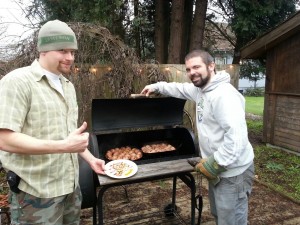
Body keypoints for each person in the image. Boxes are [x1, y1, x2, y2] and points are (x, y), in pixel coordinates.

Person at [0, 20, 105, 224]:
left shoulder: (67, 85)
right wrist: (63, 146)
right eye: (62, 50)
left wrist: (91, 159)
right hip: (36, 194)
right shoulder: (18, 82)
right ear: (44, 50)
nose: (70, 58)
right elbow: (4, 139)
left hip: (70, 189)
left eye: (73, 52)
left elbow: (67, 136)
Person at [141, 49, 254, 225]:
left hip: (233, 174)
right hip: (218, 171)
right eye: (188, 69)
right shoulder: (202, 90)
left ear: (211, 66)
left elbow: (236, 138)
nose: (192, 72)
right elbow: (180, 88)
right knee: (220, 217)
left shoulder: (224, 95)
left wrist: (214, 163)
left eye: (196, 67)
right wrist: (156, 86)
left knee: (232, 222)